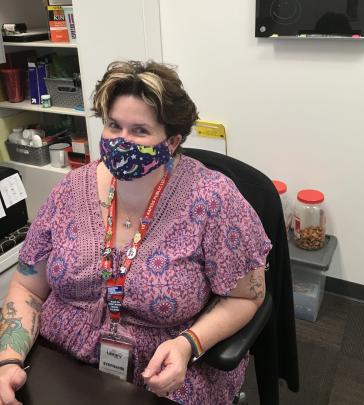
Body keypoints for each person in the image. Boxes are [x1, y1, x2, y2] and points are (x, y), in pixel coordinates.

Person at [0, 60, 272, 405]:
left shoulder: (213, 199)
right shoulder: (70, 189)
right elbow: (27, 286)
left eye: (140, 131)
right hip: (59, 359)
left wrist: (189, 344)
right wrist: (8, 359)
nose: (121, 141)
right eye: (114, 125)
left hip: (165, 370)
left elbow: (247, 296)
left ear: (172, 141)